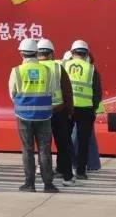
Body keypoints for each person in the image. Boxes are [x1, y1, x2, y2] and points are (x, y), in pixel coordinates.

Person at [9, 38, 60, 194]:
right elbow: (51, 91)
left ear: (21, 53)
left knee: (27, 149)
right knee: (45, 149)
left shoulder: (16, 71)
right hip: (44, 115)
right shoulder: (47, 71)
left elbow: (13, 93)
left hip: (24, 115)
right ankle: (48, 185)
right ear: (36, 52)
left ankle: (29, 184)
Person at [38, 38, 75, 186]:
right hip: (58, 112)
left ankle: (44, 174)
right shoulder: (58, 68)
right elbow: (67, 92)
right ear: (52, 53)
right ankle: (66, 176)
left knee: (43, 146)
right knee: (63, 144)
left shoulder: (31, 68)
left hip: (40, 112)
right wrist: (70, 111)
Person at [65, 40, 102, 180]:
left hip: (67, 108)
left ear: (72, 52)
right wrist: (93, 108)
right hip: (86, 110)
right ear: (86, 53)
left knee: (65, 140)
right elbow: (97, 92)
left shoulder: (64, 65)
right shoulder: (91, 69)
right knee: (83, 141)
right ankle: (80, 171)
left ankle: (65, 168)